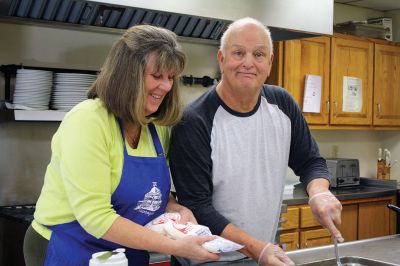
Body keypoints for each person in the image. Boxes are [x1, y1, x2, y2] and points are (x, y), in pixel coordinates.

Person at [23, 25, 220, 266]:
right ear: (128, 75)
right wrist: (175, 246)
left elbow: (149, 194)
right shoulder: (88, 120)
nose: (167, 86)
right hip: (67, 247)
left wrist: (175, 208)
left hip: (126, 250)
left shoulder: (155, 128)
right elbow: (95, 216)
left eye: (170, 77)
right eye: (157, 76)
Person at [169, 17, 343, 266]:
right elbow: (198, 207)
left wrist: (319, 192)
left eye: (259, 54)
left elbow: (310, 161)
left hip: (261, 253)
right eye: (238, 53)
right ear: (222, 59)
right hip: (208, 259)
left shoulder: (282, 104)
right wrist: (256, 249)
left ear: (269, 62)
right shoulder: (195, 120)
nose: (248, 63)